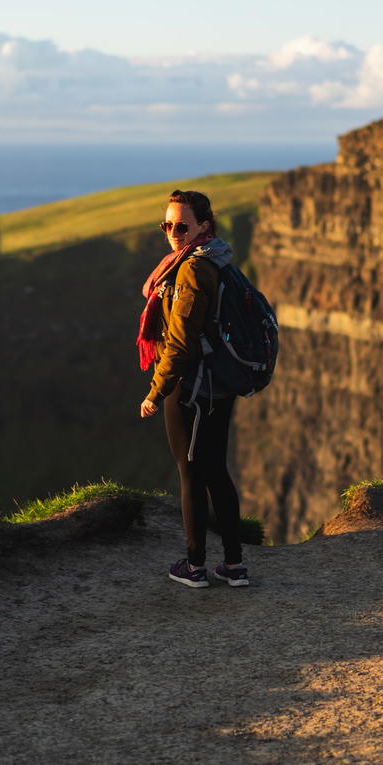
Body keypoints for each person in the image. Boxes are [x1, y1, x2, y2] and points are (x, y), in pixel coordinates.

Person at [137, 188, 249, 589]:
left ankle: (194, 564)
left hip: (192, 387)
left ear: (204, 225)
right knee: (215, 468)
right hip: (219, 383)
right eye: (167, 224)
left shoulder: (192, 270)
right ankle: (234, 565)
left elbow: (181, 343)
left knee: (189, 471)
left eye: (181, 225)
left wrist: (156, 392)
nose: (173, 232)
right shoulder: (218, 258)